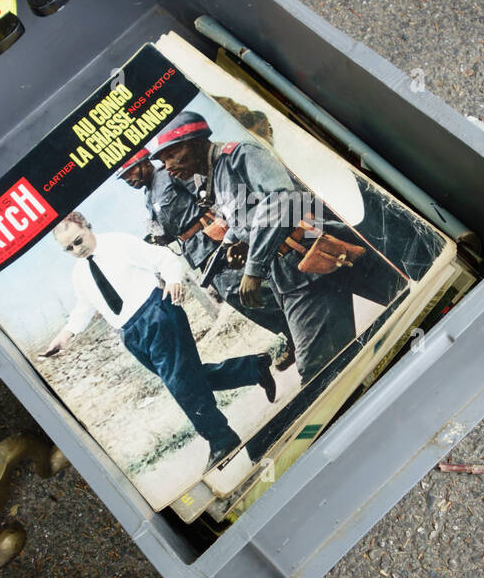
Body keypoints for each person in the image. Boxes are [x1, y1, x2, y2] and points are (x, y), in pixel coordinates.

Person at [42, 211, 275, 472]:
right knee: (187, 378)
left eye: (78, 240)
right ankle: (253, 368)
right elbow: (84, 307)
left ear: (86, 226)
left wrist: (174, 280)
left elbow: (163, 257)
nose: (77, 248)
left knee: (181, 384)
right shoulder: (79, 274)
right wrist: (65, 336)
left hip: (157, 314)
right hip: (131, 335)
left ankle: (221, 439)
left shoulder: (118, 243)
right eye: (69, 248)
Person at [150, 112, 370, 385]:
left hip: (315, 252)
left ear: (195, 143)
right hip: (296, 274)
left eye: (172, 154)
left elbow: (282, 200)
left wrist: (253, 269)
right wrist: (234, 240)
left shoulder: (241, 155)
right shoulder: (215, 176)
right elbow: (244, 214)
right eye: (163, 161)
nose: (168, 166)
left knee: (323, 375)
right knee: (323, 371)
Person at [115, 147, 295, 369]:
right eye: (123, 179)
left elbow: (209, 196)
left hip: (213, 240)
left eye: (129, 173)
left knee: (247, 292)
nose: (128, 180)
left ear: (142, 162)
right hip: (195, 252)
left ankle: (295, 329)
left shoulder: (169, 175)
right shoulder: (148, 196)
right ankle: (291, 331)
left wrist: (229, 229)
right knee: (238, 298)